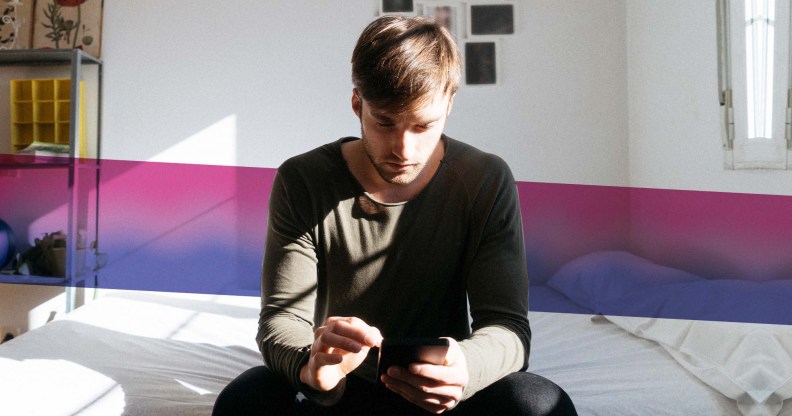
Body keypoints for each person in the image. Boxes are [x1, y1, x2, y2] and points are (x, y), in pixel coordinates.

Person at [213, 15, 576, 416]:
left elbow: (509, 329)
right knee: (245, 401)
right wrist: (313, 365)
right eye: (384, 123)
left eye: (423, 126)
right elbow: (282, 319)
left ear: (449, 104)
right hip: (341, 389)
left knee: (541, 405)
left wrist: (466, 368)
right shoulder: (304, 180)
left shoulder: (485, 180)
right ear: (357, 104)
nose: (403, 149)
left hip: (444, 392)